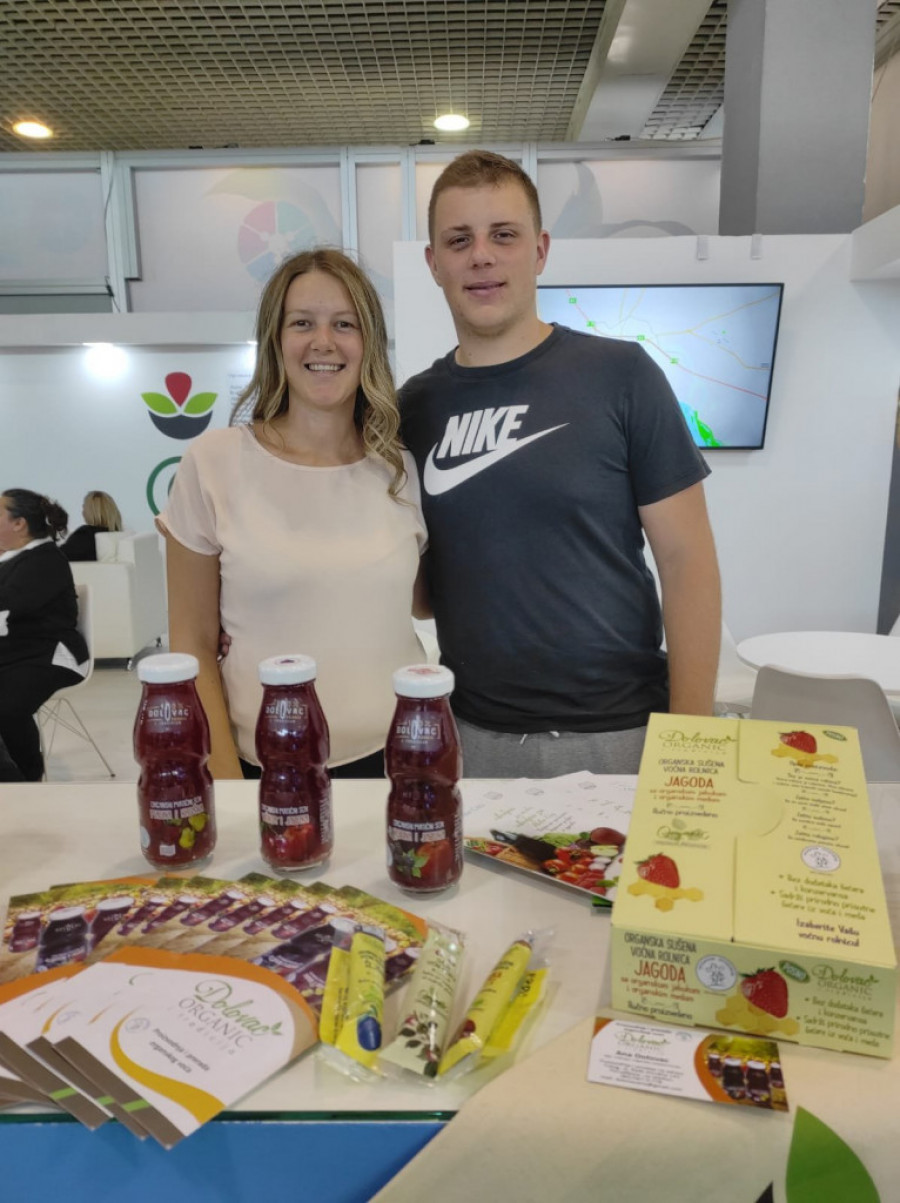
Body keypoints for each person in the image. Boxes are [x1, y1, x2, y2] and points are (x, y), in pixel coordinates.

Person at [399, 150, 722, 777]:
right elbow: (423, 597)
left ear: (540, 250)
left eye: (504, 235)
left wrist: (689, 741)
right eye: (460, 240)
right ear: (434, 263)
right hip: (469, 738)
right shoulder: (412, 409)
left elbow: (688, 564)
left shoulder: (622, 376)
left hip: (621, 735)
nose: (482, 256)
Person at [159, 248, 427, 780]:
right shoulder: (214, 463)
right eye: (302, 322)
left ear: (369, 342)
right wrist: (228, 786)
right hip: (268, 771)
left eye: (344, 323)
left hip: (402, 762)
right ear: (275, 340)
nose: (323, 341)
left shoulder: (400, 467)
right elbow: (192, 645)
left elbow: (419, 603)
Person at [0, 489, 89, 781]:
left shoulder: (44, 559)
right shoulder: (14, 559)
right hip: (20, 653)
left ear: (19, 523)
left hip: (54, 656)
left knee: (7, 707)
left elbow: (8, 605)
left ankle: (24, 778)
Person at [60, 490, 124, 562]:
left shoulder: (85, 535)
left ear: (90, 512)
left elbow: (59, 557)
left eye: (84, 507)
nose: (83, 512)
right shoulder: (117, 536)